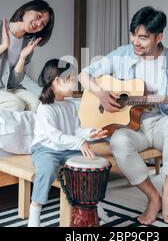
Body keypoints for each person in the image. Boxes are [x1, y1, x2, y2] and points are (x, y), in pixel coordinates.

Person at [79, 6, 168, 225]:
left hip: (159, 122)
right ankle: (153, 197)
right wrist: (101, 95)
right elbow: (84, 74)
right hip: (131, 127)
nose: (135, 42)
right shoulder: (122, 54)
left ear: (159, 37)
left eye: (143, 37)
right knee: (119, 142)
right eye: (133, 35)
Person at [28, 59, 108, 227]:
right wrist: (80, 142)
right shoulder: (45, 108)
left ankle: (95, 205)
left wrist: (90, 133)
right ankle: (35, 209)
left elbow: (76, 131)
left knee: (94, 162)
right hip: (46, 149)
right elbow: (55, 137)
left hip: (67, 148)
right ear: (57, 81)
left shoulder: (70, 105)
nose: (74, 82)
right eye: (70, 79)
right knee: (47, 169)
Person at [0, 0, 54, 112]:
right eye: (38, 16)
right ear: (25, 10)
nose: (38, 24)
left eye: (43, 24)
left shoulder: (28, 44)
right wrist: (3, 47)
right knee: (16, 104)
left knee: (38, 105)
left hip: (10, 89)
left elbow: (13, 82)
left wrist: (22, 58)